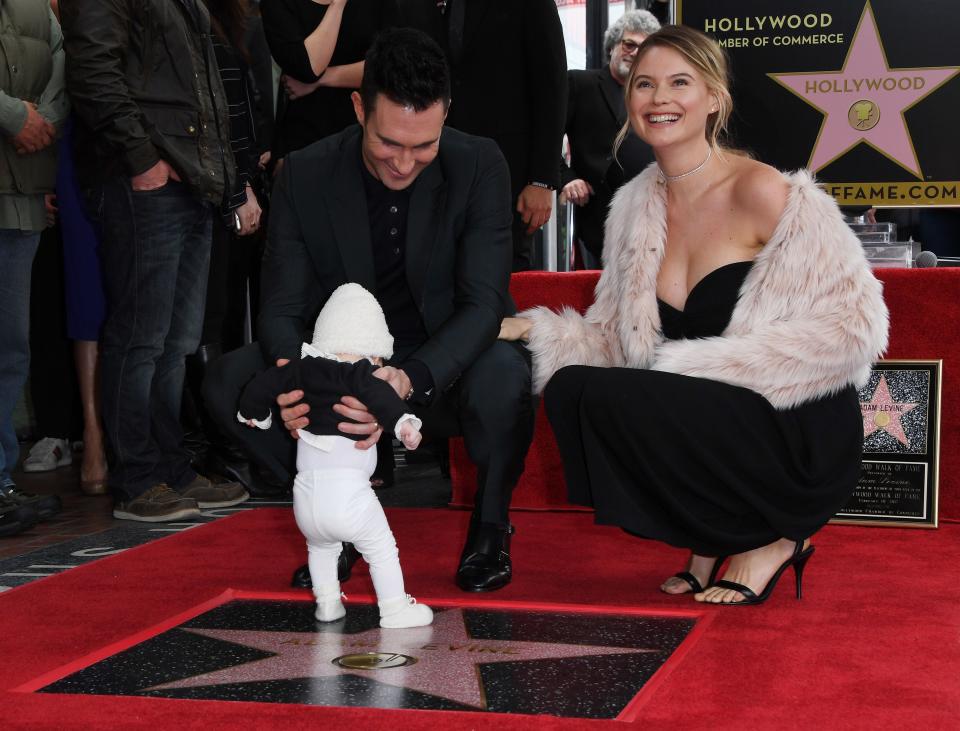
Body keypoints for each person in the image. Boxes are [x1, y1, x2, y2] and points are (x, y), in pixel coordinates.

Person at [499, 25, 888, 606]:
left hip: (793, 425)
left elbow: (854, 328)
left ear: (713, 97)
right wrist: (535, 328)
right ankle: (712, 529)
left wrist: (702, 369)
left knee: (643, 389)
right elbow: (619, 338)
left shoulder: (763, 189)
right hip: (715, 419)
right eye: (645, 84)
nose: (659, 99)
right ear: (628, 99)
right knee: (579, 388)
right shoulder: (632, 204)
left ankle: (779, 537)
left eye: (679, 83)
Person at [204, 27, 534, 593]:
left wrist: (407, 379)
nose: (405, 164)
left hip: (442, 358)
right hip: (341, 359)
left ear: (445, 115)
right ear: (359, 107)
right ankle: (342, 516)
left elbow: (482, 305)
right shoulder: (305, 173)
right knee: (227, 382)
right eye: (389, 143)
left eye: (423, 145)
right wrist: (299, 383)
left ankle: (490, 522)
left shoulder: (480, 164)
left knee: (506, 378)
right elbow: (279, 308)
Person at [61, 0, 250, 522]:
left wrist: (217, 174)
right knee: (142, 337)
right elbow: (93, 73)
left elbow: (201, 88)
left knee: (176, 341)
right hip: (145, 180)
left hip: (191, 179)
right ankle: (137, 478)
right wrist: (142, 159)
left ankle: (171, 467)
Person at [239, 284, 432, 627]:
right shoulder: (362, 374)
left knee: (321, 549)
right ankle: (395, 609)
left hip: (304, 497)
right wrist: (404, 423)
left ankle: (327, 603)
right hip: (349, 494)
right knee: (382, 549)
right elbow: (384, 398)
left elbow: (260, 385)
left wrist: (257, 414)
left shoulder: (298, 370)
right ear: (373, 354)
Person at [399, 0, 567, 271]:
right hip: (438, 166)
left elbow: (552, 85)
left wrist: (542, 180)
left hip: (509, 172)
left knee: (506, 273)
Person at [0, 0, 69, 533]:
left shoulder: (35, 4)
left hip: (22, 190)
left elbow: (61, 58)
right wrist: (12, 115)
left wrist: (40, 119)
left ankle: (0, 482)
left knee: (11, 346)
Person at [561, 9, 660, 269]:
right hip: (595, 215)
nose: (635, 52)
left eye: (644, 47)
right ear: (613, 45)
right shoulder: (579, 83)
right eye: (629, 44)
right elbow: (547, 140)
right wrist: (568, 179)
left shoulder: (658, 96)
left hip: (648, 215)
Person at [262, 0, 398, 159]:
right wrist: (337, 5)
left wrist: (322, 80)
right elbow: (308, 69)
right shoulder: (278, 5)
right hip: (304, 134)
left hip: (363, 128)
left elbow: (389, 65)